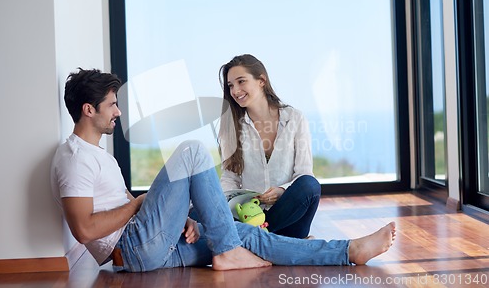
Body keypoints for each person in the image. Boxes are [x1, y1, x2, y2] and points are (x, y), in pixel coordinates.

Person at [50, 68, 396, 272]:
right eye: (112, 104)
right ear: (88, 109)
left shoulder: (99, 155)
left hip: (153, 247)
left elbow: (122, 202)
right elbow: (83, 230)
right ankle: (227, 251)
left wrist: (181, 220)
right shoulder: (74, 158)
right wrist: (138, 204)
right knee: (191, 152)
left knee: (247, 234)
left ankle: (348, 251)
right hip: (133, 250)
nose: (118, 112)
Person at [218, 54, 320, 238]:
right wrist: (231, 202)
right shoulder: (230, 126)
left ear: (261, 80)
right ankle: (271, 242)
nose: (235, 90)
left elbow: (304, 172)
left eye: (241, 81)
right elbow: (230, 178)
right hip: (250, 216)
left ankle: (255, 241)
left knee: (310, 185)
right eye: (231, 85)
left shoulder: (294, 118)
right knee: (197, 212)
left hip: (289, 217)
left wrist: (282, 191)